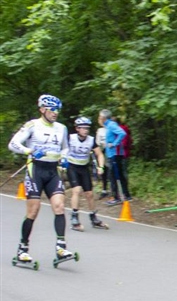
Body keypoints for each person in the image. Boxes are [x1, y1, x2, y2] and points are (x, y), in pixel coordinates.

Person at [7, 95, 76, 264]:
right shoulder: (32, 125)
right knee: (33, 210)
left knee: (59, 206)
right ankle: (23, 248)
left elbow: (66, 148)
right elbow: (13, 144)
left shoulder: (61, 128)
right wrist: (29, 151)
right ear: (42, 109)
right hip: (36, 169)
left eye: (58, 110)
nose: (55, 113)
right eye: (53, 110)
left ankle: (61, 247)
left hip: (52, 171)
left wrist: (65, 157)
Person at [65, 116, 109, 231]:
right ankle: (74, 217)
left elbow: (99, 154)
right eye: (83, 128)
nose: (86, 130)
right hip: (72, 166)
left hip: (83, 168)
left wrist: (101, 166)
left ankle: (93, 217)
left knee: (89, 194)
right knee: (77, 190)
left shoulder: (90, 140)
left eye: (87, 128)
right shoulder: (70, 138)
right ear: (77, 129)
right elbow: (62, 149)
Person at [98, 109, 131, 205]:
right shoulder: (108, 125)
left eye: (100, 117)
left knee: (113, 176)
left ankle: (116, 197)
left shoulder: (111, 125)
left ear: (103, 118)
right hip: (112, 154)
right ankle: (126, 195)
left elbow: (122, 133)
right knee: (118, 175)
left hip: (115, 154)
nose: (99, 119)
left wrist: (114, 144)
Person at [95, 122, 109, 197]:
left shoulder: (111, 129)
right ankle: (104, 189)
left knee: (111, 170)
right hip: (102, 151)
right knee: (103, 170)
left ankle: (114, 190)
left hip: (110, 151)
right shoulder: (100, 130)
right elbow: (97, 142)